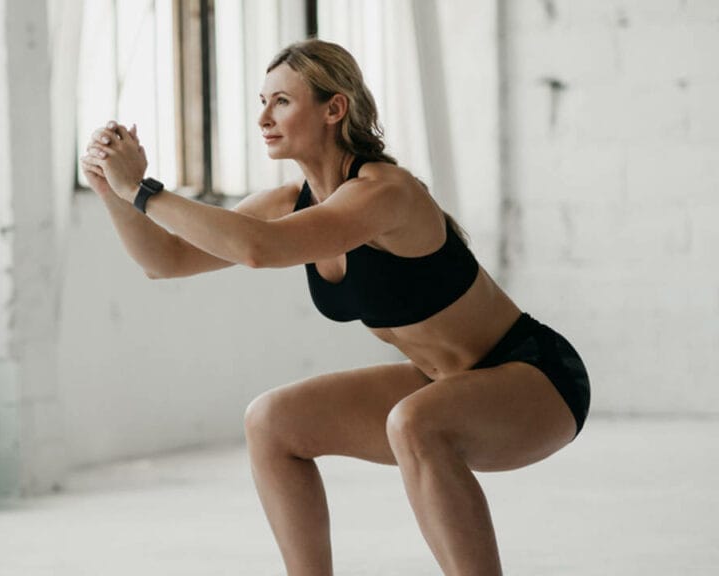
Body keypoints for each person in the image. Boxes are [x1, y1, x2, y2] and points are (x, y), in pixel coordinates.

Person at [80, 38, 590, 576]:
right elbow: (167, 259)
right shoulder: (288, 201)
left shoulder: (385, 192)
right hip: (441, 383)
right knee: (272, 421)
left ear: (333, 108)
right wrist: (113, 194)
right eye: (261, 101)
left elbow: (259, 249)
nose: (263, 118)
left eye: (280, 101)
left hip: (535, 375)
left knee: (415, 422)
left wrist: (142, 188)